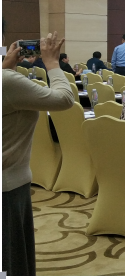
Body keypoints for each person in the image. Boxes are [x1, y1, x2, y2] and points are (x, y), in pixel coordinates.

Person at [3, 28, 75, 276]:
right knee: (11, 261)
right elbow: (64, 99)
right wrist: (52, 63)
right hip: (7, 187)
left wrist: (6, 69)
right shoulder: (7, 82)